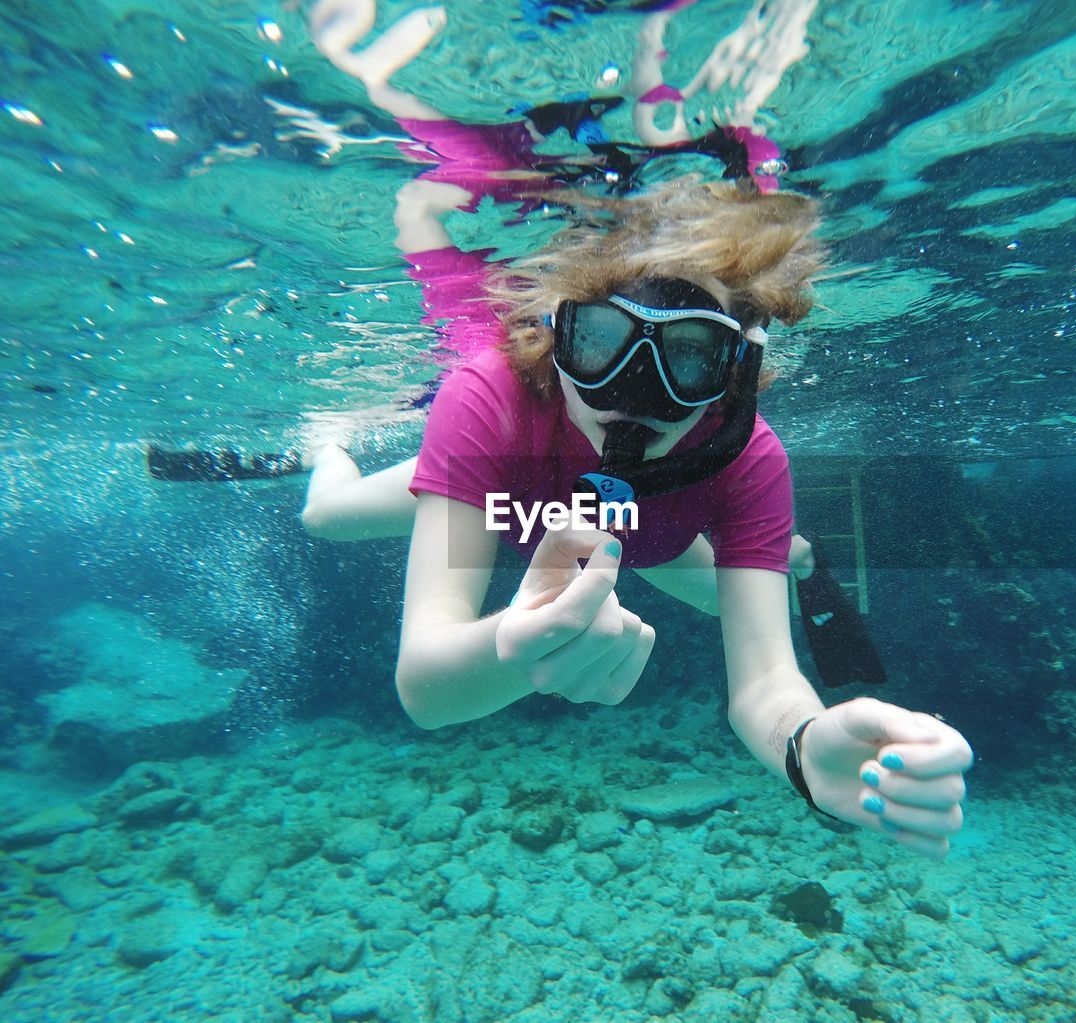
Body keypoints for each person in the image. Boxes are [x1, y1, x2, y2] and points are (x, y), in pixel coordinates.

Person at [300, 177, 972, 860]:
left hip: (652, 536)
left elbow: (766, 681)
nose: (633, 393)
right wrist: (518, 642)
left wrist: (802, 746)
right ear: (557, 327)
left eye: (687, 355)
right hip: (510, 497)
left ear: (732, 370)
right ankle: (329, 446)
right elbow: (424, 686)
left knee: (738, 604)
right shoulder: (487, 400)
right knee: (326, 515)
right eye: (598, 339)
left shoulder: (750, 460)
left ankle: (782, 557)